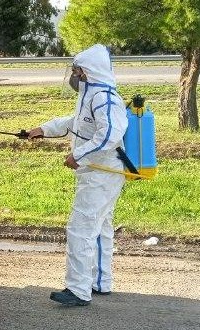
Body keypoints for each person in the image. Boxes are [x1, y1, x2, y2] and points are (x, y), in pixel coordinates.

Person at [26, 43, 127, 307]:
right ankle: (100, 282)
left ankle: (78, 290)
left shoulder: (105, 98)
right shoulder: (92, 97)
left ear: (90, 71)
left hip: (101, 174)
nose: (75, 76)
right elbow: (76, 123)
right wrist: (43, 129)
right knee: (100, 227)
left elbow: (108, 135)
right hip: (100, 172)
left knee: (81, 228)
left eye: (78, 71)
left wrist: (78, 155)